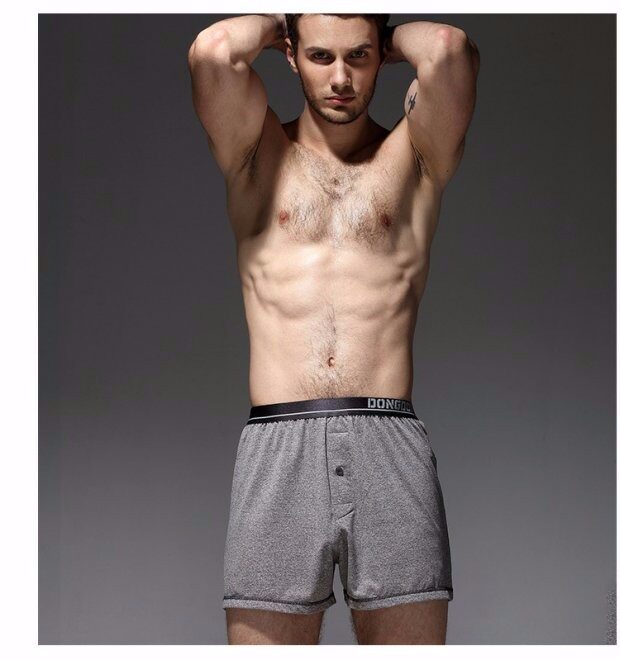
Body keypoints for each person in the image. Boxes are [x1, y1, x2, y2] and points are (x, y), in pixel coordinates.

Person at [188, 13, 480, 645]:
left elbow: (449, 50)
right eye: (321, 56)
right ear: (290, 54)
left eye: (359, 57)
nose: (341, 78)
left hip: (389, 441)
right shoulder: (255, 153)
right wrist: (284, 22)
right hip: (278, 443)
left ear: (381, 57)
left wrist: (379, 32)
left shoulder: (415, 153)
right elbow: (213, 52)